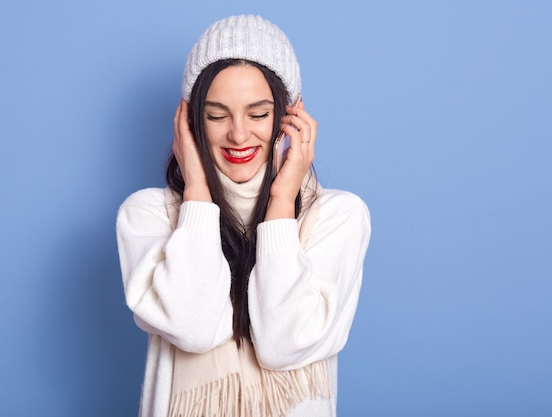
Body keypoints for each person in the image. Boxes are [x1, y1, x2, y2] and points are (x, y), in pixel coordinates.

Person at [116, 14, 371, 417]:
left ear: (288, 117)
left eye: (258, 114)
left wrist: (282, 202)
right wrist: (196, 192)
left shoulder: (338, 216)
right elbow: (194, 328)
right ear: (191, 120)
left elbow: (282, 344)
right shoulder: (148, 215)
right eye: (217, 115)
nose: (238, 134)